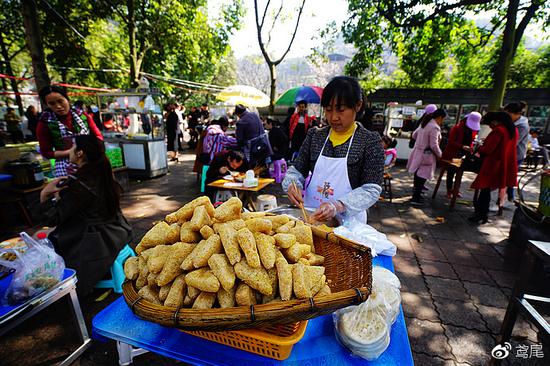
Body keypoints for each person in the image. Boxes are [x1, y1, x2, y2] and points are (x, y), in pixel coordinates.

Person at [39, 135, 132, 296]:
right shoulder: (102, 173)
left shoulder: (80, 185)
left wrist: (45, 194)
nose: (70, 150)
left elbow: (53, 218)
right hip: (118, 230)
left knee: (43, 238)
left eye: (73, 146)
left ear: (80, 153)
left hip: (99, 241)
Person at [283, 76, 384, 224]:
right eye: (328, 110)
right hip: (311, 218)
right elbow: (296, 171)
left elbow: (371, 189)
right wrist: (292, 184)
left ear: (357, 105)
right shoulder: (315, 136)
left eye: (341, 110)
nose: (334, 117)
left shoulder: (369, 141)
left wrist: (338, 206)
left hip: (349, 224)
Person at [37, 85, 103, 177]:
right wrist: (72, 152)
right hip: (65, 167)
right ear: (47, 105)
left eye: (60, 101)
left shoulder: (82, 116)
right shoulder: (45, 123)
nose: (58, 106)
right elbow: (46, 152)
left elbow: (98, 136)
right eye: (52, 104)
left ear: (67, 99)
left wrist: (89, 149)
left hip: (88, 161)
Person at [469, 112, 517, 224]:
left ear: (496, 121)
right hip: (501, 164)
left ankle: (481, 214)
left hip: (492, 164)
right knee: (487, 190)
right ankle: (482, 215)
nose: (490, 127)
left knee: (484, 190)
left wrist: (480, 147)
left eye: (490, 124)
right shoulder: (512, 130)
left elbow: (488, 149)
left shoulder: (498, 131)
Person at [406, 108, 447, 205]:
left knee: (418, 174)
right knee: (422, 176)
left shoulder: (424, 124)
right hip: (426, 155)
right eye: (443, 119)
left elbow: (414, 135)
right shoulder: (434, 127)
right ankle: (416, 198)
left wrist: (421, 142)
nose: (443, 121)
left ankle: (416, 196)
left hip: (418, 153)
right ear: (440, 117)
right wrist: (440, 154)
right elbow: (434, 145)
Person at [441, 112, 481, 198]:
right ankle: (449, 190)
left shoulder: (472, 130)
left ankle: (456, 189)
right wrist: (462, 147)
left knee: (460, 172)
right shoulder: (456, 128)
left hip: (464, 155)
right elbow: (451, 142)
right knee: (451, 171)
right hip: (453, 155)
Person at [504, 102, 529, 201]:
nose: (507, 117)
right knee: (509, 177)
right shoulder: (514, 122)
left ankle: (507, 199)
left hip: (516, 155)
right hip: (511, 153)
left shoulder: (522, 126)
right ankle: (509, 198)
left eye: (508, 114)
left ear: (517, 114)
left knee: (509, 177)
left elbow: (514, 142)